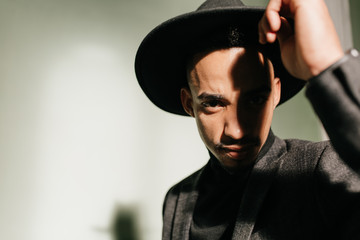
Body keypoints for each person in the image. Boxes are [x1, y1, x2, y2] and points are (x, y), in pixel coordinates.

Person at [135, 0, 360, 239]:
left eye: (254, 100)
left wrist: (325, 66)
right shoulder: (176, 200)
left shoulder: (317, 173)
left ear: (275, 94)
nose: (236, 131)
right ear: (189, 103)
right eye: (213, 103)